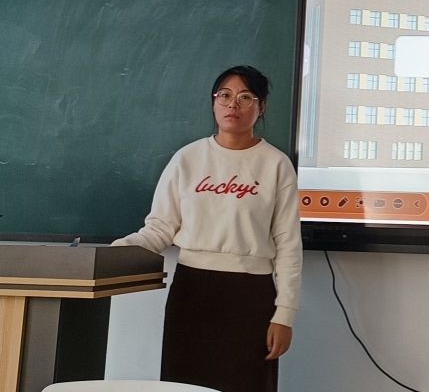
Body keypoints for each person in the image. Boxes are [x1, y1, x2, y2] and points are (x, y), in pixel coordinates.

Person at [114, 65, 303, 392]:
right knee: (184, 386)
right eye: (224, 96)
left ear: (261, 107)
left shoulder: (276, 164)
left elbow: (288, 246)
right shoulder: (188, 158)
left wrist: (284, 314)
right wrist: (113, 254)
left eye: (246, 97)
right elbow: (160, 228)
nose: (233, 105)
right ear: (213, 102)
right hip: (192, 291)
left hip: (251, 296)